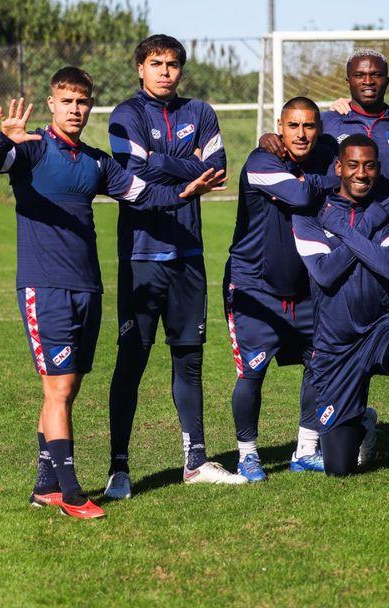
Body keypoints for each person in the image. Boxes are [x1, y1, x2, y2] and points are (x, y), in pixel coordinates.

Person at [0, 68, 225, 518]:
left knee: (68, 388)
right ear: (51, 103)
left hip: (88, 287)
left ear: (89, 106)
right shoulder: (32, 150)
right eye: (67, 101)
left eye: (82, 102)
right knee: (58, 390)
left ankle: (44, 485)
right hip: (46, 287)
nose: (75, 109)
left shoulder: (97, 162)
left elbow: (142, 194)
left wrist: (184, 191)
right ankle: (71, 492)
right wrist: (5, 139)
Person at [105, 34, 243, 499]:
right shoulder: (126, 114)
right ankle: (119, 468)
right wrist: (187, 165)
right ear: (140, 68)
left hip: (188, 257)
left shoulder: (200, 111)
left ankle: (195, 460)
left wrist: (160, 161)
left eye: (173, 64)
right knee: (132, 361)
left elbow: (219, 167)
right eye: (156, 63)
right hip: (142, 257)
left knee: (190, 360)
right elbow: (132, 174)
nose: (165, 71)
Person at [226, 97, 376, 480]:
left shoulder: (325, 151)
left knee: (318, 362)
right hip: (254, 289)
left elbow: (345, 160)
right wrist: (326, 182)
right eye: (293, 126)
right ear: (280, 126)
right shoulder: (261, 161)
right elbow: (300, 195)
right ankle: (247, 454)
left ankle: (305, 448)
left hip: (307, 289)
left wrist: (319, 175)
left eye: (309, 126)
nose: (301, 134)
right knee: (253, 374)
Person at [302, 48, 389, 467]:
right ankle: (354, 422)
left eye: (376, 75)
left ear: (387, 80)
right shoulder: (330, 123)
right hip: (342, 234)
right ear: (349, 80)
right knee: (339, 468)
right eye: (361, 75)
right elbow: (297, 148)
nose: (369, 81)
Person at [291, 134, 389, 490]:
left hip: (380, 329)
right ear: (339, 167)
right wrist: (361, 228)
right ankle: (363, 423)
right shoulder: (311, 213)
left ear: (378, 169)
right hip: (335, 345)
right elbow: (326, 274)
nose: (362, 173)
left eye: (370, 165)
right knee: (339, 468)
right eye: (354, 165)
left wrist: (344, 230)